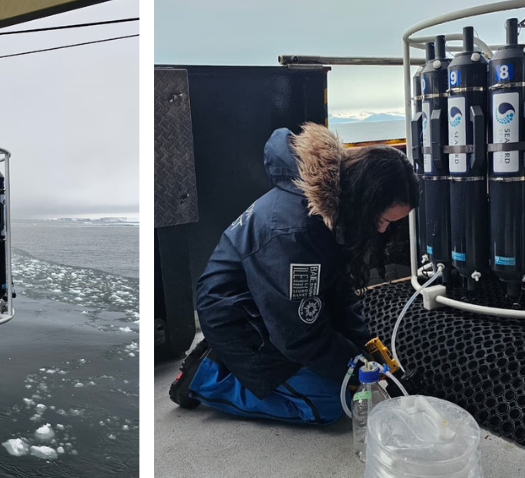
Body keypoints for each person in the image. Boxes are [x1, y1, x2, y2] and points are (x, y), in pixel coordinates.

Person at [168, 123, 418, 424]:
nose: (382, 230)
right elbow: (297, 333)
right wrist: (353, 369)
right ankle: (206, 379)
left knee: (347, 378)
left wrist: (363, 346)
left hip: (270, 302)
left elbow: (337, 288)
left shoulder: (334, 206)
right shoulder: (296, 235)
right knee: (330, 402)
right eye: (381, 219)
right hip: (236, 316)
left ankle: (235, 364)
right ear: (364, 199)